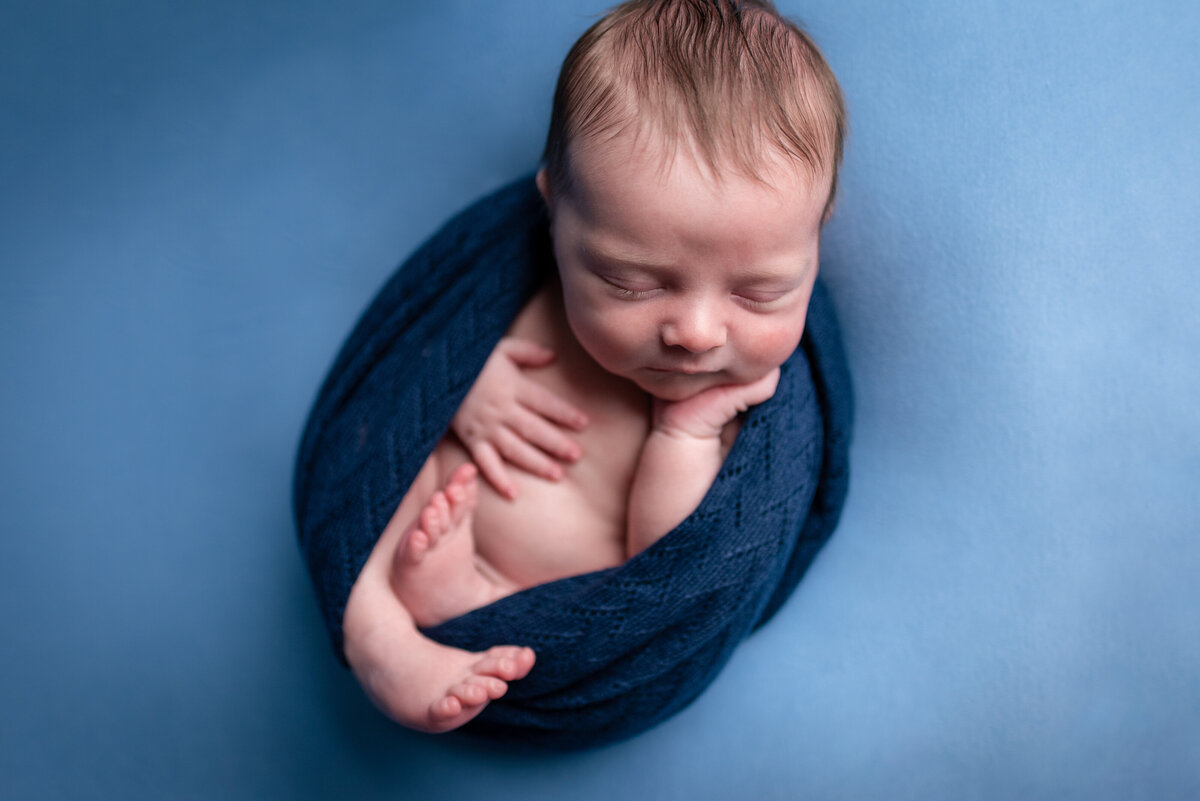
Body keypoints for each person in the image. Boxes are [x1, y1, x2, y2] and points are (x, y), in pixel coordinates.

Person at [341, 0, 847, 734]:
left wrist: (687, 437)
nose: (697, 333)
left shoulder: (743, 401)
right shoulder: (521, 292)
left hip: (570, 613)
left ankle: (463, 600)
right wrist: (463, 391)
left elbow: (673, 563)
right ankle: (379, 628)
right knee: (386, 453)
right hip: (442, 523)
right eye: (632, 284)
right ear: (556, 212)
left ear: (818, 232)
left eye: (759, 290)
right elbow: (404, 373)